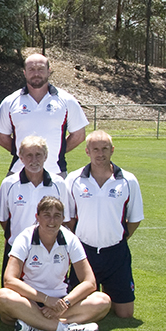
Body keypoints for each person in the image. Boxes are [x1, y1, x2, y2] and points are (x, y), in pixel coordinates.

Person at [0, 196, 111, 331]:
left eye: (57, 216)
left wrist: (65, 303)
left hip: (60, 302)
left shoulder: (71, 239)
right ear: (37, 217)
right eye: (46, 215)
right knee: (3, 296)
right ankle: (64, 329)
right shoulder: (25, 238)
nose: (52, 221)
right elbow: (9, 280)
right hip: (29, 300)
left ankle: (34, 325)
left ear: (63, 218)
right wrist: (46, 299)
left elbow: (90, 282)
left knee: (102, 300)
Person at [64, 131, 144, 318]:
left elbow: (135, 218)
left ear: (112, 150)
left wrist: (118, 236)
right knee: (77, 304)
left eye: (105, 149)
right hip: (84, 252)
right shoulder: (74, 179)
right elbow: (69, 217)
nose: (100, 154)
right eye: (95, 149)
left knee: (125, 314)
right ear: (87, 151)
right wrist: (80, 237)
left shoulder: (128, 180)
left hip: (116, 253)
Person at [0, 52, 88, 176]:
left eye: (41, 69)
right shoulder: (10, 102)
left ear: (49, 71)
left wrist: (56, 152)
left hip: (56, 172)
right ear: (24, 72)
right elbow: (2, 137)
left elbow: (78, 135)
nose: (36, 74)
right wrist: (24, 153)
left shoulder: (67, 100)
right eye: (31, 69)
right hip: (19, 172)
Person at [0, 135, 69, 285]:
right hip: (17, 250)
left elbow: (64, 219)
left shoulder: (59, 184)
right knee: (10, 295)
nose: (34, 160)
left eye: (38, 155)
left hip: (49, 250)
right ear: (21, 157)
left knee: (52, 292)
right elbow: (4, 219)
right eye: (29, 155)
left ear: (46, 156)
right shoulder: (9, 183)